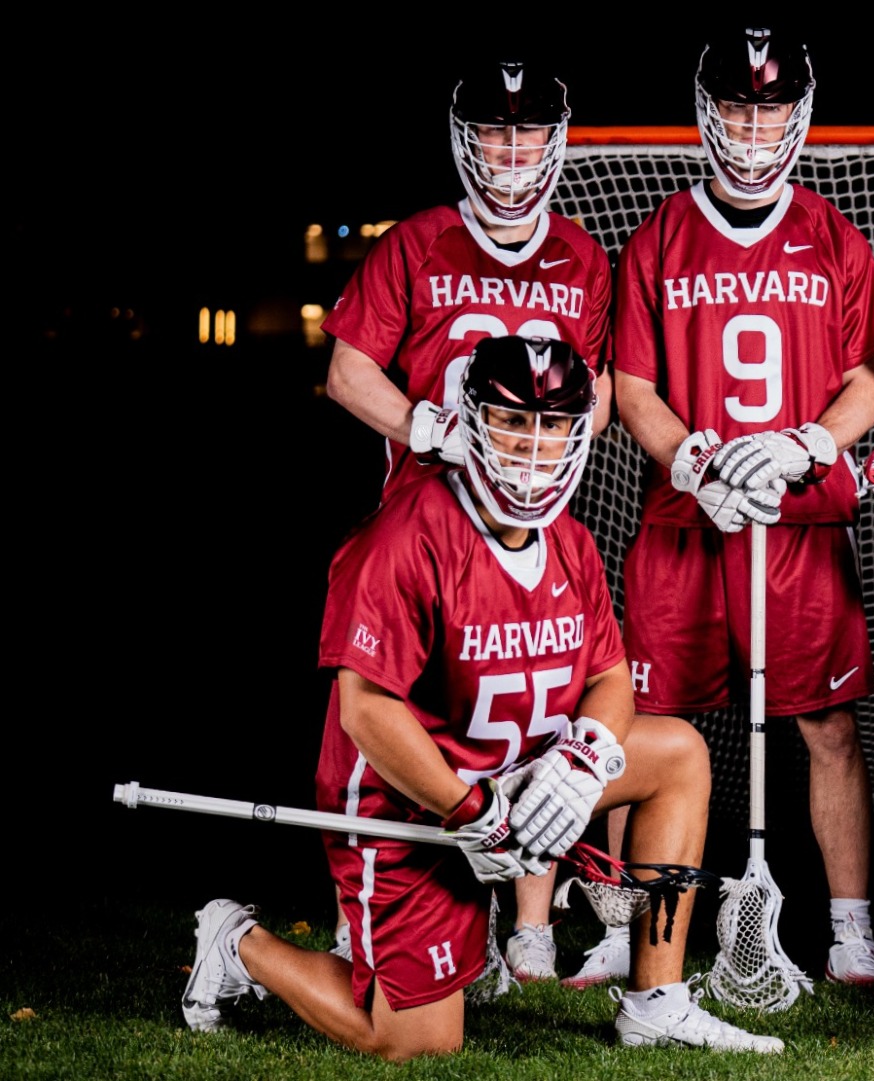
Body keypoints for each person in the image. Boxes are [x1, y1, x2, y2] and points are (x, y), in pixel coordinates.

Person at [179, 336, 782, 1058]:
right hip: (413, 803)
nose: (534, 445)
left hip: (521, 774)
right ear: (469, 421)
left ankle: (657, 1000)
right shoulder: (404, 537)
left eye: (553, 423)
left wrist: (584, 758)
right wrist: (471, 811)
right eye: (512, 420)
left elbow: (609, 675)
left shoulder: (569, 540)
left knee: (677, 753)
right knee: (417, 1043)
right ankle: (239, 943)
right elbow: (365, 710)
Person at [317, 57, 614, 982]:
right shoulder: (416, 244)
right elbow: (345, 372)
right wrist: (422, 423)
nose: (512, 149)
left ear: (554, 143)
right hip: (426, 524)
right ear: (465, 139)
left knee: (534, 709)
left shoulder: (584, 260)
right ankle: (365, 917)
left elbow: (595, 392)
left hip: (524, 526)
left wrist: (551, 450)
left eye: (527, 131)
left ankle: (526, 924)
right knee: (391, 722)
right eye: (494, 131)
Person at [608, 26, 874, 991]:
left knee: (828, 730)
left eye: (769, 106)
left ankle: (851, 931)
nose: (753, 124)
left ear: (797, 114)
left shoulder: (832, 234)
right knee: (647, 720)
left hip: (801, 524)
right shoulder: (657, 235)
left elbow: (863, 381)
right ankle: (621, 922)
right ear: (708, 111)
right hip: (689, 524)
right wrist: (694, 460)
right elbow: (633, 385)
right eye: (737, 105)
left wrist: (808, 443)